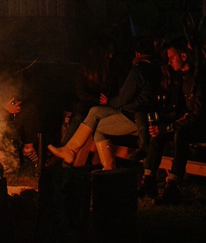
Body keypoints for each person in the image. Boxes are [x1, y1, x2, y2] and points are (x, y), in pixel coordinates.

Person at [48, 36, 162, 171]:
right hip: (128, 109)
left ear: (137, 53)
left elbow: (124, 97)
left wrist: (109, 101)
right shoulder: (152, 67)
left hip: (132, 114)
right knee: (95, 111)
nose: (111, 55)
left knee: (98, 127)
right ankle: (70, 150)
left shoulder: (139, 70)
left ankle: (109, 169)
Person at [143, 41, 206, 203]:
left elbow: (199, 115)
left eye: (171, 57)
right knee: (157, 132)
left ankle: (173, 185)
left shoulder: (202, 78)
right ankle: (148, 179)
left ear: (183, 56)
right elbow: (180, 110)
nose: (169, 62)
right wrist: (163, 123)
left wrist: (169, 126)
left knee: (180, 133)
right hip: (194, 122)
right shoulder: (182, 78)